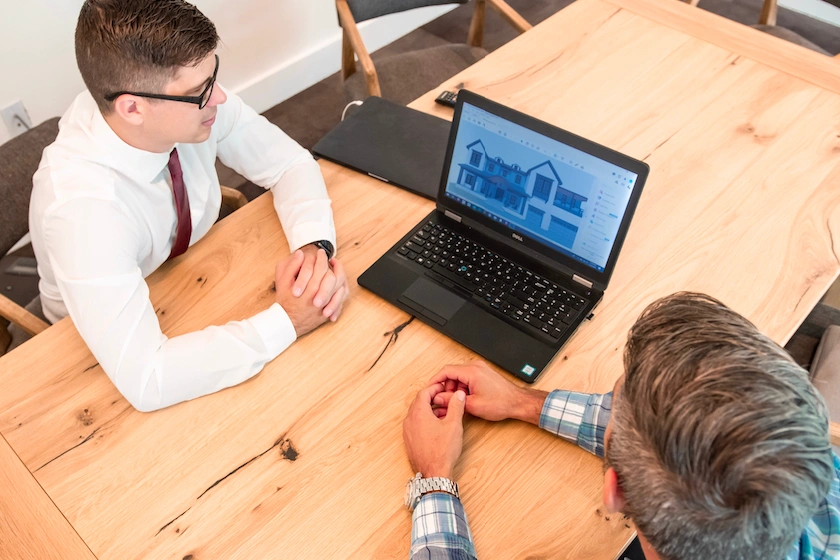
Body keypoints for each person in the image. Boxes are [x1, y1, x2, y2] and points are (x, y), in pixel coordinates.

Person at [29, 0, 349, 412]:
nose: (220, 96)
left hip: (192, 276)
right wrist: (286, 321)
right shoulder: (82, 211)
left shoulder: (188, 104)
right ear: (132, 108)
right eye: (200, 91)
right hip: (90, 349)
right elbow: (148, 378)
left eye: (212, 75)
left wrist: (312, 248)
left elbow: (288, 162)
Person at [403, 292, 840, 560]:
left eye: (616, 404)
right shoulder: (816, 468)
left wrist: (434, 480)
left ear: (616, 491)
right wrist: (522, 402)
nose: (609, 407)